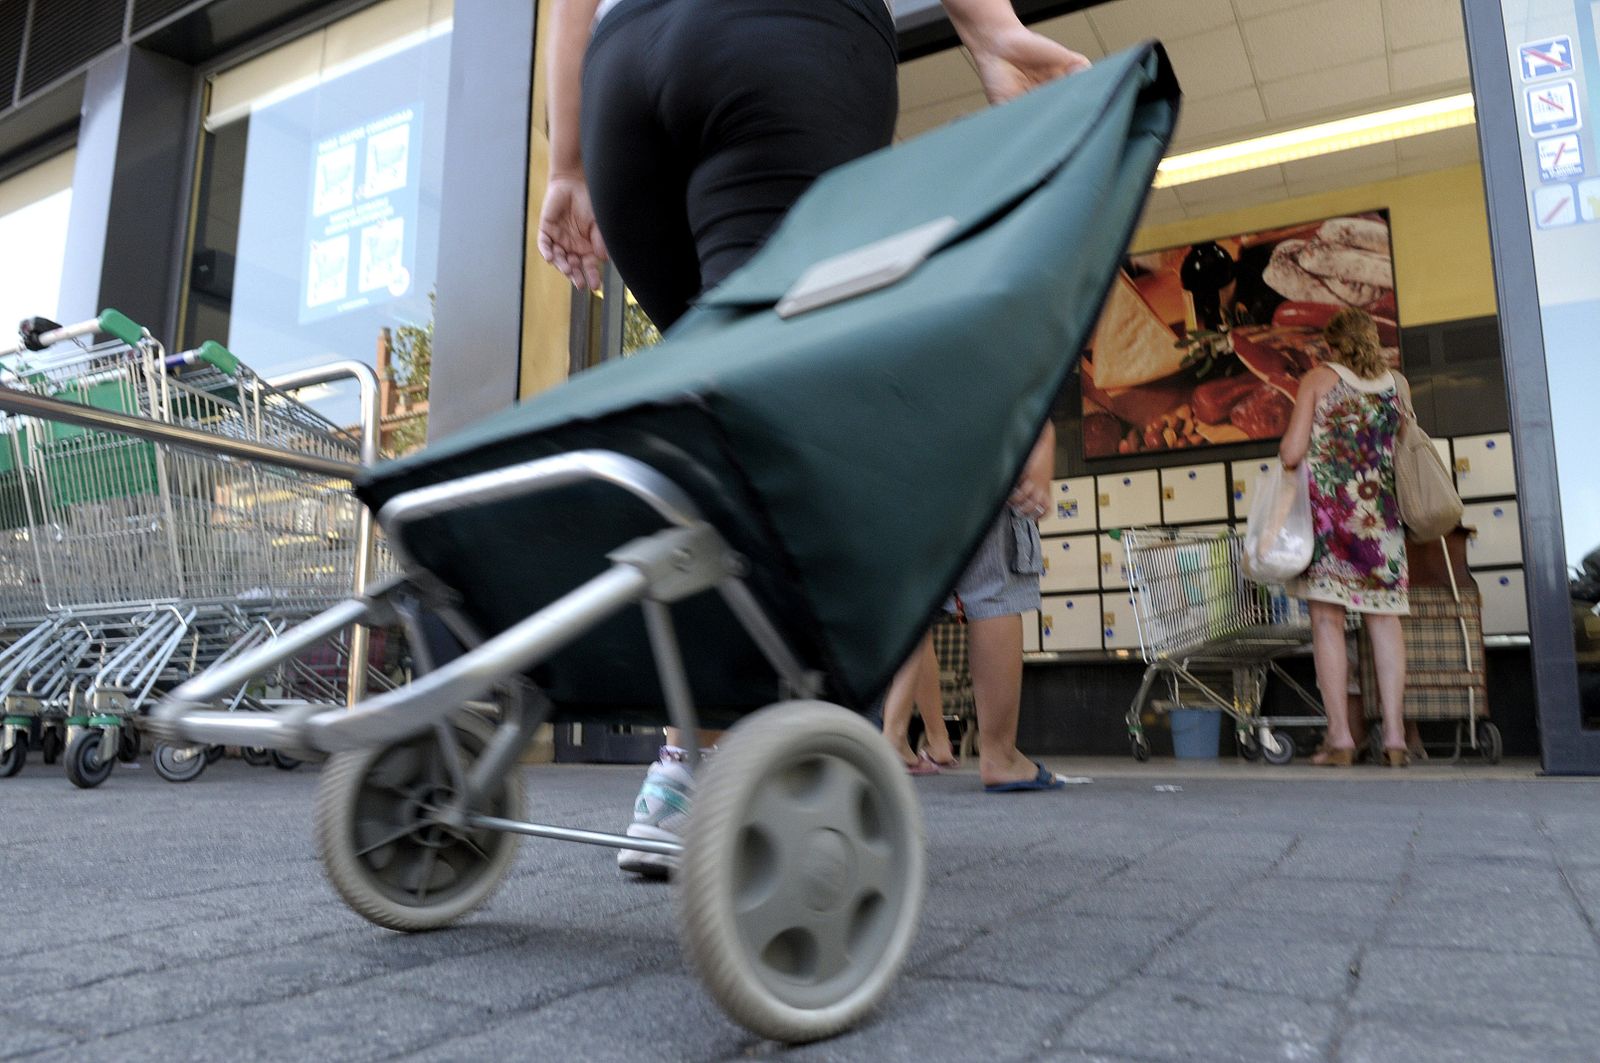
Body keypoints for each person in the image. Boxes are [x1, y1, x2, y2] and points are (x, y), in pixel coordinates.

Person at [539, 0, 1090, 875]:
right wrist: (989, 29)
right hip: (778, 39)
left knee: (714, 417)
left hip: (623, 68)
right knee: (774, 430)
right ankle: (719, 771)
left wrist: (567, 157)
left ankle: (705, 757)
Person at [1278, 307, 1410, 767]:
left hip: (1331, 518)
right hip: (1380, 518)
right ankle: (1394, 738)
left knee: (1327, 623)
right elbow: (1403, 445)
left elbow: (1292, 451)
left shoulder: (1318, 380)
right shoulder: (1397, 384)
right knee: (1384, 621)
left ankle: (1341, 739)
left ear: (1331, 344)